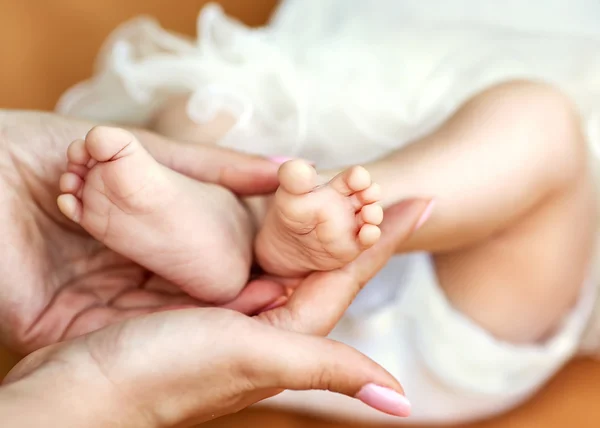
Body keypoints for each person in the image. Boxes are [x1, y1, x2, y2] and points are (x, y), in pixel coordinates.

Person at [53, 0, 600, 424]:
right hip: (295, 298)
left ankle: (270, 215)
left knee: (542, 125)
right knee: (219, 102)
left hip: (454, 321)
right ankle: (236, 218)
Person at [0, 110, 433, 425]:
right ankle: (253, 219)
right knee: (502, 122)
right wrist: (107, 390)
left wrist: (108, 392)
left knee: (209, 113)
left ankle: (241, 220)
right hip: (424, 340)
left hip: (223, 325)